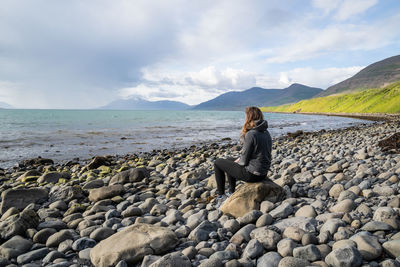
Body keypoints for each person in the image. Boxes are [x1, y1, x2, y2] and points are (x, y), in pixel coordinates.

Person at [214, 106, 272, 206]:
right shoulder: (266, 132)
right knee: (229, 160)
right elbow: (259, 154)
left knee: (217, 162)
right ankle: (231, 192)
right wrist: (238, 160)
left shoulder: (251, 134)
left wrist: (239, 161)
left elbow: (244, 161)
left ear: (249, 117)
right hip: (263, 173)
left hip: (252, 175)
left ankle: (221, 196)